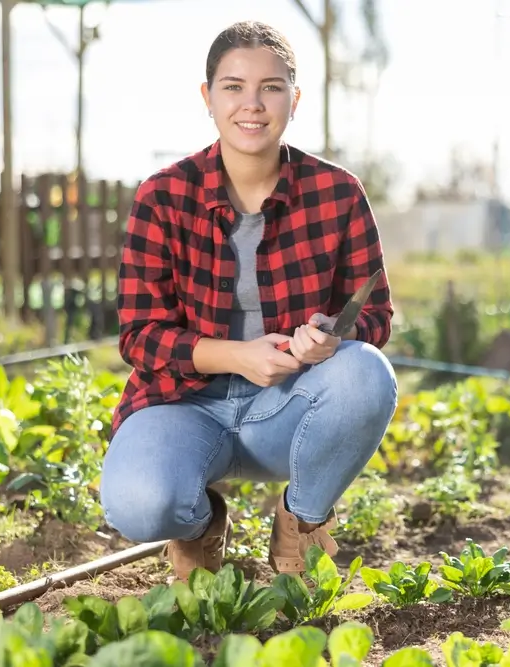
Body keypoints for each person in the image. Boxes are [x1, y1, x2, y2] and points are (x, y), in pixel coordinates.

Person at [99, 20, 398, 581]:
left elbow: (376, 314)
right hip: (181, 404)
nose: (253, 104)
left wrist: (330, 337)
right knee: (138, 503)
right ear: (208, 97)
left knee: (366, 374)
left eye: (272, 87)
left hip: (287, 406)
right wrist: (239, 356)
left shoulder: (338, 193)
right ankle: (201, 525)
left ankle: (300, 521)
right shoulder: (163, 196)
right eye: (233, 86)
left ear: (295, 98)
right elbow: (139, 336)